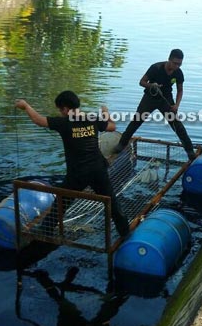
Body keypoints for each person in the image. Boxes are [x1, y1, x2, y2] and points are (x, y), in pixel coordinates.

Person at [15, 91, 129, 237]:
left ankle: (45, 230)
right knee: (111, 202)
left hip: (78, 173)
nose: (60, 113)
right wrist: (105, 113)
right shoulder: (91, 118)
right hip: (98, 169)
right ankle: (125, 232)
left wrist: (25, 106)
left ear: (66, 109)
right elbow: (112, 127)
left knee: (61, 201)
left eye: (60, 110)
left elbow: (38, 120)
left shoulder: (64, 122)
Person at [113, 49, 196, 160]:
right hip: (149, 98)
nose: (177, 66)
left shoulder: (178, 73)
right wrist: (152, 85)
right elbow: (142, 82)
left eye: (179, 64)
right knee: (136, 121)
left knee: (177, 125)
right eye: (175, 63)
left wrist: (176, 105)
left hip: (165, 99)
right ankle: (121, 144)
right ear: (169, 59)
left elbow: (180, 90)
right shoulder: (156, 68)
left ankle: (190, 151)